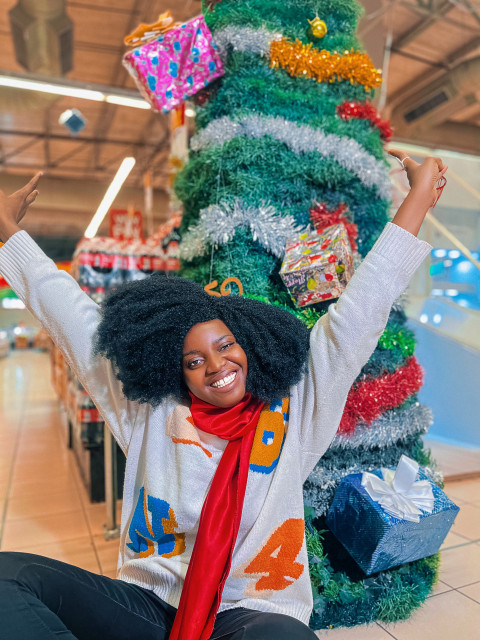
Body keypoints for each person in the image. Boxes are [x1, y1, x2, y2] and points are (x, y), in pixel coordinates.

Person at [0, 150, 446, 640]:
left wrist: (418, 200)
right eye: (194, 361)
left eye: (226, 345)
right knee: (8, 576)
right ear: (177, 372)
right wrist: (9, 233)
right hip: (153, 605)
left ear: (249, 343)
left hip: (250, 611)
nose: (216, 367)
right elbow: (73, 317)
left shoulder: (295, 409)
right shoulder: (149, 412)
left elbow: (360, 312)